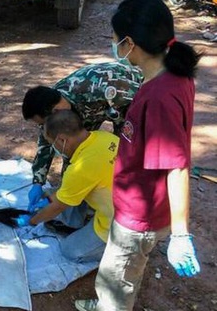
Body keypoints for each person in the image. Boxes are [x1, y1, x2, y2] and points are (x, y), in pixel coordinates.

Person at [59, 0, 202, 311]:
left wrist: (181, 233)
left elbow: (177, 166)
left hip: (141, 214)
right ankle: (110, 306)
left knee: (118, 270)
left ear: (131, 44)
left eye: (116, 39)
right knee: (119, 270)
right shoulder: (170, 76)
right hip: (135, 204)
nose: (114, 45)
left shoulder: (160, 95)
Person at [22, 62, 142, 211]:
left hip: (130, 100)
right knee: (75, 161)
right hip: (102, 109)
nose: (43, 127)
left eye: (43, 123)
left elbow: (140, 107)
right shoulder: (52, 104)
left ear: (55, 112)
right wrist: (38, 182)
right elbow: (48, 143)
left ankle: (125, 204)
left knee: (123, 156)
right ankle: (77, 206)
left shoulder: (99, 89)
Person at [15, 110, 119, 264]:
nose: (54, 149)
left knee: (70, 251)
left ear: (62, 140)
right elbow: (66, 193)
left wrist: (32, 220)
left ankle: (124, 248)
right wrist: (46, 200)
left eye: (52, 144)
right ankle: (82, 220)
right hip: (127, 199)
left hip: (124, 222)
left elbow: (57, 206)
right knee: (60, 193)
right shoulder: (105, 136)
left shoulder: (81, 169)